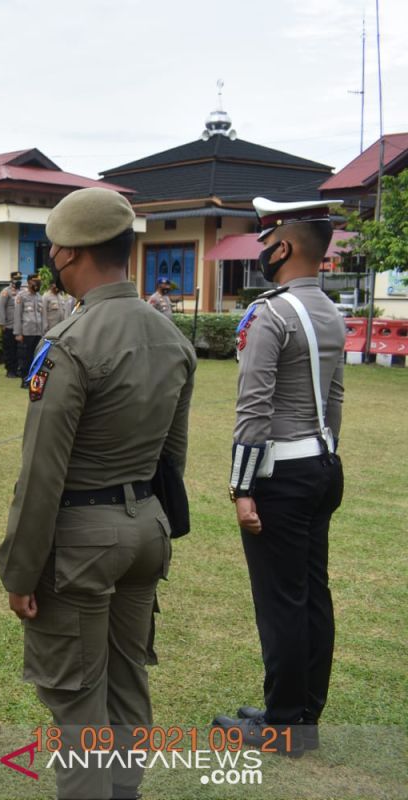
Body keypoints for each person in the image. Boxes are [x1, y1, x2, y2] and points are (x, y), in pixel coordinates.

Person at [0, 188, 196, 800]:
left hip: (83, 539)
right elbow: (172, 459)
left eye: (54, 246)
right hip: (145, 529)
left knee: (79, 703)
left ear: (70, 252)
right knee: (128, 687)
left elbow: (42, 474)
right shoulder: (172, 338)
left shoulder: (71, 343)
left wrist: (21, 569)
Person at [212, 198, 346, 757]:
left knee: (281, 601)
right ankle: (303, 709)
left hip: (280, 474)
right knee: (313, 593)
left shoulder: (271, 313)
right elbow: (334, 398)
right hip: (321, 463)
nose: (263, 252)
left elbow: (254, 409)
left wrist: (243, 488)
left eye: (267, 242)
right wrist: (325, 453)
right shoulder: (331, 312)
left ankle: (284, 722)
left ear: (284, 246)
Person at [13, 273, 45, 387]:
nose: (37, 283)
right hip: (26, 332)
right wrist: (18, 333)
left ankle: (34, 380)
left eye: (38, 281)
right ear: (29, 282)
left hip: (38, 332)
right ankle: (25, 379)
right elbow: (17, 315)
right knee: (26, 357)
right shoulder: (21, 296)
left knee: (36, 358)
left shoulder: (40, 297)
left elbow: (42, 316)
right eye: (35, 281)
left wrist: (43, 332)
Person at [0, 273, 20, 377]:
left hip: (19, 327)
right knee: (9, 349)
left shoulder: (22, 292)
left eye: (19, 278)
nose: (18, 280)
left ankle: (17, 369)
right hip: (9, 325)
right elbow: (1, 308)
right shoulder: (6, 292)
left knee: (18, 350)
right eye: (16, 278)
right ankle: (10, 370)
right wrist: (2, 324)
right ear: (11, 279)